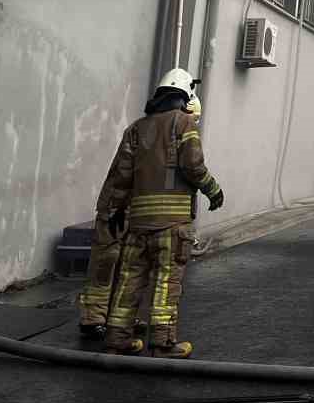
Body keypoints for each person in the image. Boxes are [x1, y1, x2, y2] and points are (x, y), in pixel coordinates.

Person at [96, 68, 224, 358]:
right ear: (185, 96)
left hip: (137, 223)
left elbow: (121, 175)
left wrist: (115, 209)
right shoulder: (185, 123)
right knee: (166, 283)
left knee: (128, 280)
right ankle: (164, 344)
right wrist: (214, 190)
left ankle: (117, 340)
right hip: (172, 226)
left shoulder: (136, 129)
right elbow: (193, 167)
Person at [76, 92, 204, 340]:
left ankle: (117, 324)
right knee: (108, 262)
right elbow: (125, 177)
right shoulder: (155, 131)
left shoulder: (147, 131)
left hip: (129, 209)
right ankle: (93, 319)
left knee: (126, 268)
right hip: (118, 208)